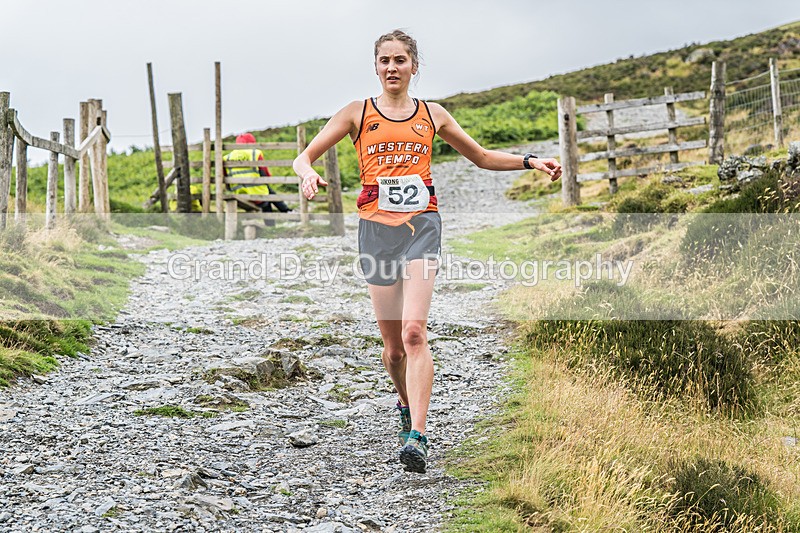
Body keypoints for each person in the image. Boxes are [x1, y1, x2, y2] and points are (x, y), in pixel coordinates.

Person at [293, 30, 561, 474]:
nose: (392, 68)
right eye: (384, 61)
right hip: (376, 231)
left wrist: (531, 161)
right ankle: (403, 401)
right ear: (375, 67)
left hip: (422, 226)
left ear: (415, 65)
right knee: (394, 348)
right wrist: (307, 175)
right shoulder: (356, 113)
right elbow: (304, 157)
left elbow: (480, 157)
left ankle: (416, 435)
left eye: (400, 60)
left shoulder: (432, 115)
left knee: (415, 332)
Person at [225, 133, 292, 221]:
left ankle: (286, 211)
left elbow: (226, 179)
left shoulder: (227, 157)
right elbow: (265, 174)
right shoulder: (255, 153)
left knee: (267, 192)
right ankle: (277, 220)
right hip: (256, 193)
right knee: (267, 194)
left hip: (238, 193)